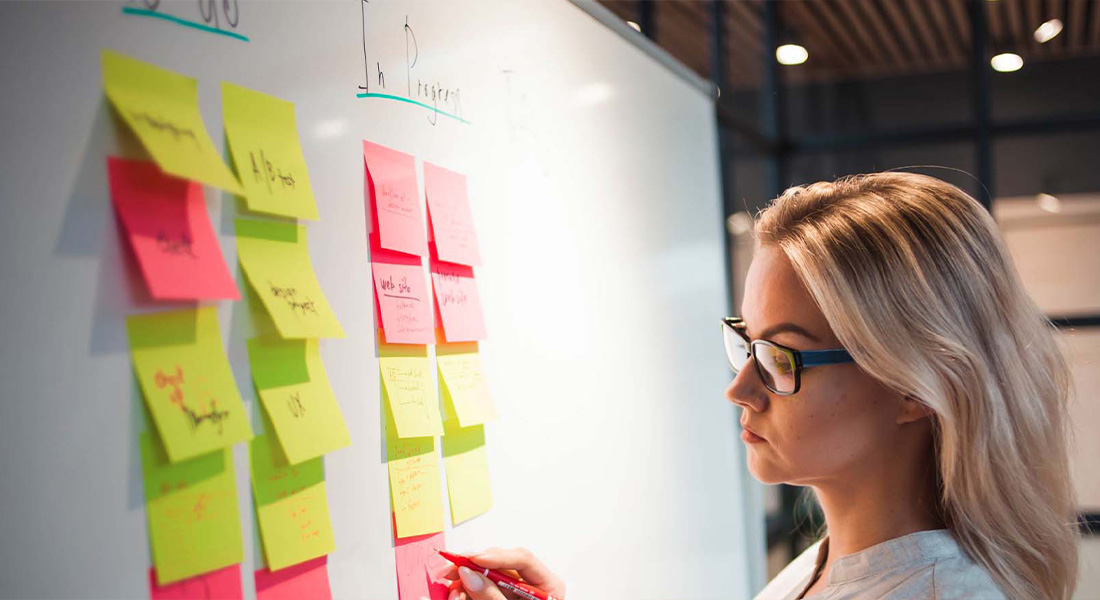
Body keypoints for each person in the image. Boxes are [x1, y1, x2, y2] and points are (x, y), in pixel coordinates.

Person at [442, 172, 1079, 600]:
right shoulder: (832, 565)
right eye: (746, 343)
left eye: (782, 356)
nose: (740, 387)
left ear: (914, 386)